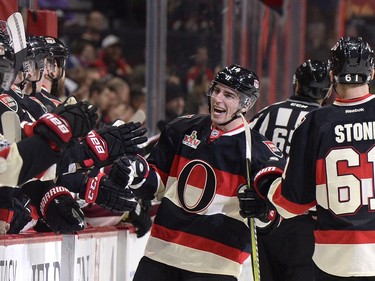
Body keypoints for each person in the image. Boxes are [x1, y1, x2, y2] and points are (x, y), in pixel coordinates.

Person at [109, 64, 285, 280]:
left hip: (213, 268)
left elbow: (275, 219)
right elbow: (156, 186)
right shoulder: (181, 128)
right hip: (161, 256)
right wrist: (135, 174)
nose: (218, 99)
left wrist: (261, 212)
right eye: (217, 90)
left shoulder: (258, 151)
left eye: (229, 95)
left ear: (245, 103)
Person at [249, 37, 375, 280]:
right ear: (371, 72)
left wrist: (269, 178)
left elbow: (291, 203)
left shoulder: (315, 123)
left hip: (333, 259)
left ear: (332, 73)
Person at [249, 59, 331, 281]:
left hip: (265, 217)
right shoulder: (326, 122)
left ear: (297, 85)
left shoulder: (266, 114)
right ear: (327, 91)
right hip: (306, 222)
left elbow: (243, 154)